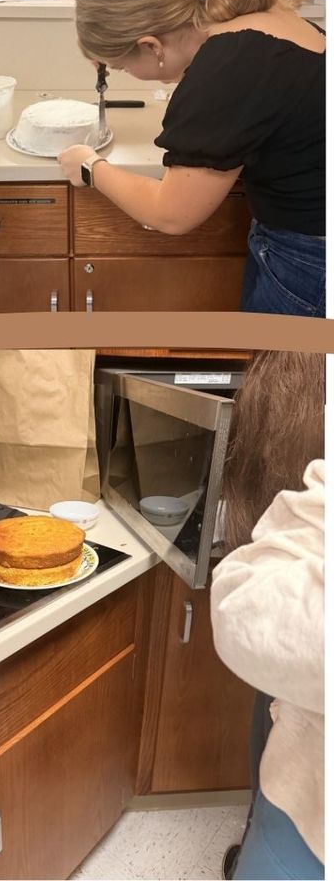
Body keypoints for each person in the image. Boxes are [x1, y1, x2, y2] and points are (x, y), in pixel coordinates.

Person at [58, 0, 325, 316]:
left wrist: (90, 166)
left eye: (121, 67)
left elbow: (171, 214)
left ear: (151, 45)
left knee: (284, 372)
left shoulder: (226, 70)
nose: (126, 74)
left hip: (310, 260)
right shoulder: (253, 17)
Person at [210, 350, 324, 879]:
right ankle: (257, 815)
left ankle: (261, 825)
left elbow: (240, 611)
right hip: (302, 733)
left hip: (311, 819)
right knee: (272, 703)